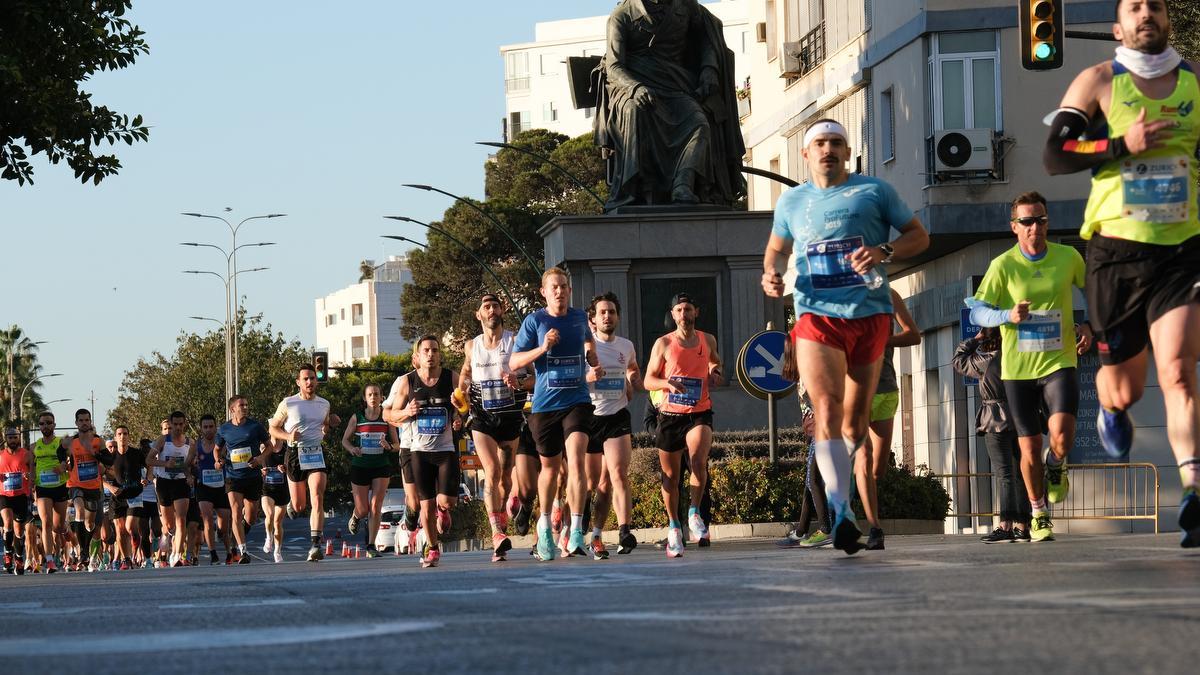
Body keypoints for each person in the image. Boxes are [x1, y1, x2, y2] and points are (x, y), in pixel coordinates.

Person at [1044, 0, 1200, 547]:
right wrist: (1119, 146)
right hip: (1114, 254)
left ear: (1167, 21)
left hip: (1181, 251)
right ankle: (1113, 410)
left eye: (1154, 5)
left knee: (1178, 372)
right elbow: (1056, 153)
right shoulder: (1098, 81)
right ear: (1118, 28)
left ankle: (1193, 491)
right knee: (1124, 389)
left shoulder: (1194, 87)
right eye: (1134, 7)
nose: (1146, 13)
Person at [762, 118, 929, 555]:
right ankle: (841, 512)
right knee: (826, 407)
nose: (828, 149)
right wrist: (773, 276)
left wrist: (883, 250)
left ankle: (843, 500)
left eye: (836, 142)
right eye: (820, 143)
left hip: (870, 315)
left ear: (847, 150)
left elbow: (918, 236)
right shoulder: (792, 202)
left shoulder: (875, 191)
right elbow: (777, 250)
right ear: (806, 153)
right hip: (816, 315)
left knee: (854, 424)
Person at [969, 191, 1091, 542]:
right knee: (1027, 448)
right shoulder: (1003, 265)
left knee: (1062, 437)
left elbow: (1093, 290)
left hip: (1058, 359)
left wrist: (1090, 325)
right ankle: (1038, 514)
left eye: (1041, 219)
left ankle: (1057, 464)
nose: (1035, 226)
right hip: (1018, 371)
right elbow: (978, 310)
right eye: (1027, 221)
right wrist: (1008, 315)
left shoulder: (1068, 257)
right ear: (1014, 228)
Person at [595, 0, 744, 208]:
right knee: (634, 111)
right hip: (633, 86)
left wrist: (710, 68)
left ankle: (683, 184)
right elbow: (614, 65)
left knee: (698, 121)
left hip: (674, 85)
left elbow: (708, 36)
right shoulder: (622, 15)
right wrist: (635, 87)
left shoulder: (685, 6)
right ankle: (635, 188)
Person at [510, 268, 602, 562]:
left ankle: (576, 530)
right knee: (549, 470)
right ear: (544, 292)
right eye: (554, 288)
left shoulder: (578, 318)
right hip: (545, 406)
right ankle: (545, 524)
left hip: (577, 401)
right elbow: (514, 362)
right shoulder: (534, 321)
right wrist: (543, 347)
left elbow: (589, 339)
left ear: (569, 290)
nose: (560, 291)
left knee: (576, 462)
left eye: (564, 286)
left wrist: (592, 355)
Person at [643, 292, 723, 558]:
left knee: (699, 461)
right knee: (671, 478)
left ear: (695, 313)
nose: (684, 314)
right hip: (670, 416)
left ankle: (693, 512)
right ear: (673, 315)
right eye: (679, 309)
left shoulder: (707, 339)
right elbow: (648, 381)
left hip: (699, 412)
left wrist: (714, 371)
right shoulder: (663, 343)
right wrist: (667, 383)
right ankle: (674, 527)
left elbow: (715, 360)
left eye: (688, 309)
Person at [459, 294, 533, 562]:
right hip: (482, 418)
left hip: (511, 417)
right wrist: (462, 390)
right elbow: (466, 374)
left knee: (505, 477)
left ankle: (504, 511)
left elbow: (534, 378)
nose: (491, 311)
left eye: (495, 306)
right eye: (486, 307)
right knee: (491, 471)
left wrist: (519, 382)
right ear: (479, 315)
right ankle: (497, 533)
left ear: (501, 311)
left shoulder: (516, 342)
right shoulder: (472, 346)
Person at [384, 335, 464, 568]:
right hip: (419, 451)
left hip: (445, 449)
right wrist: (407, 411)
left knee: (447, 501)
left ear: (440, 354)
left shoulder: (452, 378)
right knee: (424, 505)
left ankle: (443, 509)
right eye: (426, 350)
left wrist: (459, 416)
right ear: (417, 357)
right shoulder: (407, 382)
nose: (431, 354)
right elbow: (389, 415)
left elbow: (464, 407)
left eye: (435, 350)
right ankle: (433, 549)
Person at [854, 289, 921, 551]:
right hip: (856, 388)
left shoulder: (889, 295)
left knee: (878, 468)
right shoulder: (840, 295)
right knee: (864, 456)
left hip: (885, 387)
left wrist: (884, 341)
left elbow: (914, 335)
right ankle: (875, 528)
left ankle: (857, 486)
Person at [954, 327, 1031, 543]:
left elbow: (958, 360)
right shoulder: (1020, 356)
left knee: (1004, 475)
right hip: (1019, 418)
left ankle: (1005, 525)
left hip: (994, 419)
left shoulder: (985, 360)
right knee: (1021, 473)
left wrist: (975, 339)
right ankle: (1022, 526)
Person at [585, 292, 642, 557]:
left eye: (612, 312)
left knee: (617, 475)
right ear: (593, 319)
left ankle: (623, 531)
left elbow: (632, 368)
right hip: (589, 418)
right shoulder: (585, 346)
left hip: (617, 415)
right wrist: (588, 376)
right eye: (602, 312)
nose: (608, 316)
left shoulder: (626, 345)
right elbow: (570, 379)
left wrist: (631, 381)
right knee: (593, 484)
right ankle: (576, 528)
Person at [269, 363, 338, 562]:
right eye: (305, 379)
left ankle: (315, 545)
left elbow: (324, 427)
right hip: (294, 454)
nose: (309, 382)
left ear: (317, 381)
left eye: (312, 378)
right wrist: (288, 436)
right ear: (298, 382)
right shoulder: (288, 403)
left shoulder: (324, 404)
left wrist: (329, 424)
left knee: (317, 496)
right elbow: (273, 428)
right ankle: (293, 503)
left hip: (316, 452)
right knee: (300, 506)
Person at [341, 383, 399, 558]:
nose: (373, 397)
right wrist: (352, 449)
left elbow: (397, 445)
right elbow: (345, 440)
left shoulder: (386, 418)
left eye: (376, 394)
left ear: (382, 397)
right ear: (365, 398)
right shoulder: (357, 417)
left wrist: (388, 446)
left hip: (381, 465)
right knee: (364, 509)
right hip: (360, 466)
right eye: (370, 394)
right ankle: (356, 516)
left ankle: (371, 545)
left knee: (376, 506)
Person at [215, 395, 272, 564]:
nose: (245, 408)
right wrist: (218, 460)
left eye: (247, 405)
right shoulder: (224, 429)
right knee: (235, 511)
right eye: (241, 405)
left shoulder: (255, 426)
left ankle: (242, 530)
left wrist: (260, 459)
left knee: (252, 516)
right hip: (233, 476)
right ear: (232, 409)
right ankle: (243, 551)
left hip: (252, 476)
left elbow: (269, 446)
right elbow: (217, 449)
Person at [65, 408, 114, 571]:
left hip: (94, 487)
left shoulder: (97, 441)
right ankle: (84, 553)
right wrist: (62, 464)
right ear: (76, 423)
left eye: (87, 420)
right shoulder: (71, 442)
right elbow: (60, 453)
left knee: (91, 524)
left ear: (90, 421)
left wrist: (97, 455)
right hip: (76, 484)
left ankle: (86, 552)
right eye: (81, 420)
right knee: (79, 512)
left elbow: (110, 459)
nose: (84, 423)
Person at [147, 411, 196, 567]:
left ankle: (177, 554)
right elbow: (148, 460)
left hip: (181, 483)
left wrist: (189, 476)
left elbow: (186, 465)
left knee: (181, 519)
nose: (178, 427)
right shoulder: (163, 440)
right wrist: (165, 464)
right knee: (169, 524)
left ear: (184, 424)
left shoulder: (190, 443)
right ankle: (167, 535)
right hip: (164, 483)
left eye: (181, 424)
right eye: (175, 424)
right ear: (171, 424)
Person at [193, 414, 234, 564]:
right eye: (205, 427)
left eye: (211, 426)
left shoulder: (223, 444)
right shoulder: (196, 445)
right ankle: (213, 554)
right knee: (207, 519)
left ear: (216, 427)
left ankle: (229, 552)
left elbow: (232, 458)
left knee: (224, 527)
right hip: (204, 488)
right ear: (201, 428)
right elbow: (188, 463)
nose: (209, 430)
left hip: (221, 487)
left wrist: (224, 461)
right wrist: (192, 467)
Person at [103, 425, 145, 570]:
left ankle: (133, 553)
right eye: (119, 434)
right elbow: (96, 474)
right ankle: (126, 559)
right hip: (117, 497)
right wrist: (110, 487)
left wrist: (148, 477)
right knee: (120, 530)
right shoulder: (109, 456)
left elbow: (149, 464)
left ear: (129, 436)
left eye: (125, 433)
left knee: (130, 528)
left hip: (134, 495)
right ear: (115, 437)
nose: (122, 436)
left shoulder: (136, 453)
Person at [32, 412, 69, 573]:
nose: (45, 426)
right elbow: (31, 466)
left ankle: (65, 531)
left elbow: (71, 462)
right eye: (42, 423)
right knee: (46, 522)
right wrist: (31, 482)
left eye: (48, 423)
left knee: (58, 527)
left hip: (60, 486)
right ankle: (49, 560)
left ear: (54, 425)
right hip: (42, 488)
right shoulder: (34, 446)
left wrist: (63, 467)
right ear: (39, 426)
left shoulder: (61, 443)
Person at [1, 427, 31, 575]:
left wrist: (28, 477)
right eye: (10, 437)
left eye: (15, 437)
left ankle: (18, 557)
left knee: (19, 531)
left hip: (20, 495)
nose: (13, 440)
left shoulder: (26, 455)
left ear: (18, 438)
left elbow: (32, 473)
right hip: (4, 495)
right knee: (7, 523)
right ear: (5, 438)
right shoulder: (0, 455)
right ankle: (8, 553)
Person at [260, 438, 288, 564]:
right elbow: (256, 464)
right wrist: (262, 470)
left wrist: (285, 468)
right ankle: (268, 536)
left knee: (277, 523)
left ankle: (277, 551)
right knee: (270, 515)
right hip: (267, 488)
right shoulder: (263, 447)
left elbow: (293, 467)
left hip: (282, 489)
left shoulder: (287, 448)